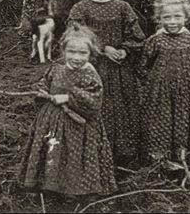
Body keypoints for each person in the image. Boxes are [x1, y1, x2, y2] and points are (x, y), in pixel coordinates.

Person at [18, 23, 117, 200]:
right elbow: (45, 82)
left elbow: (93, 100)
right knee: (51, 149)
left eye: (82, 53)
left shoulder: (90, 74)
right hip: (51, 120)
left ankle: (74, 189)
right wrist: (41, 91)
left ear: (91, 53)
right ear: (64, 50)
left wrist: (67, 97)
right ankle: (47, 186)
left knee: (72, 154)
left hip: (78, 126)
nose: (76, 57)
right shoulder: (57, 67)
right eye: (72, 52)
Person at [67, 0, 145, 165]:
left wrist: (125, 51)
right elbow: (74, 39)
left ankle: (124, 157)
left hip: (121, 73)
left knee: (124, 111)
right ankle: (95, 156)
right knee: (97, 108)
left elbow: (137, 36)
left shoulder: (122, 7)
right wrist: (102, 49)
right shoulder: (80, 9)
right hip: (92, 69)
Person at [142, 0, 190, 168]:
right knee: (162, 122)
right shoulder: (155, 40)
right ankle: (162, 162)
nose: (172, 21)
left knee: (185, 122)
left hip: (188, 91)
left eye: (177, 16)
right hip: (161, 93)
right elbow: (143, 64)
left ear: (186, 17)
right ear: (159, 19)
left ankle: (187, 162)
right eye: (166, 17)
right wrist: (156, 81)